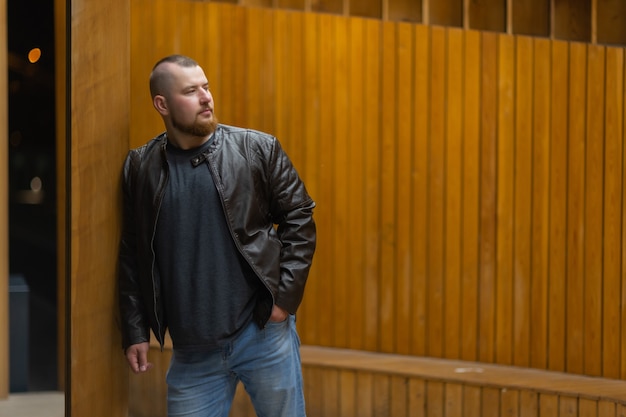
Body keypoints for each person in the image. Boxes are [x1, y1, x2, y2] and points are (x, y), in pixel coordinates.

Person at [117, 54, 316, 417]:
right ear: (161, 104)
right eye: (191, 91)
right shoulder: (140, 168)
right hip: (193, 354)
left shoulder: (257, 149)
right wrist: (135, 329)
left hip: (262, 334)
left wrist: (283, 301)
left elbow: (300, 218)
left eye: (206, 87)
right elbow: (133, 252)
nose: (207, 97)